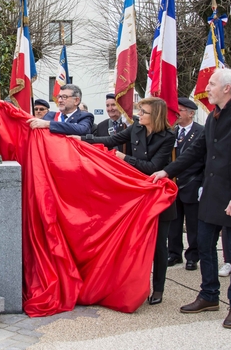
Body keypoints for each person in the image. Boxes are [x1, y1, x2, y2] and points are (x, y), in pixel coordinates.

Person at [151, 68, 231, 329]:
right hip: (212, 195)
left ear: (226, 88)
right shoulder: (213, 117)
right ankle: (209, 295)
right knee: (204, 246)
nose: (207, 88)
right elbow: (196, 151)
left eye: (211, 84)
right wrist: (167, 171)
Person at [75, 96, 176, 305]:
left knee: (159, 246)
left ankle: (158, 289)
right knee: (134, 243)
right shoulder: (136, 128)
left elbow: (153, 167)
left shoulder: (167, 136)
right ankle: (132, 285)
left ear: (155, 115)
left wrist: (125, 159)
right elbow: (111, 141)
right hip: (136, 194)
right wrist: (83, 140)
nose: (139, 115)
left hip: (157, 196)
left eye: (143, 112)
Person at [167, 97, 204, 271]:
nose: (177, 113)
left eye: (181, 110)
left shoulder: (200, 132)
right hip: (174, 183)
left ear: (191, 113)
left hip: (192, 182)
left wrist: (201, 183)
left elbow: (204, 160)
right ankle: (174, 253)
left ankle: (193, 256)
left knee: (192, 224)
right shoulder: (172, 132)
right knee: (174, 222)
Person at [27, 84, 94, 135]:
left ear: (76, 101)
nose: (59, 100)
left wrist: (48, 124)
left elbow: (82, 129)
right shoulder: (49, 116)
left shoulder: (85, 116)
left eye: (64, 97)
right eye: (59, 97)